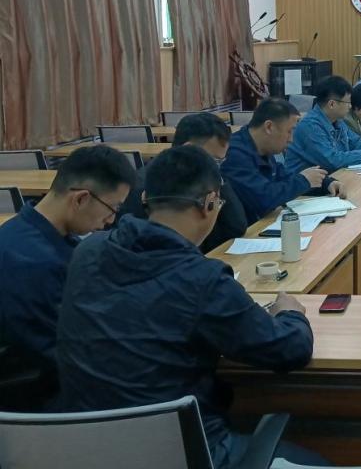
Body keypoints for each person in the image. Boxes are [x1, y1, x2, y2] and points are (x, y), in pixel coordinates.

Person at [56, 146, 325, 468]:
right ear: (209, 203)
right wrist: (290, 313)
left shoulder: (88, 252)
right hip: (183, 452)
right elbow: (289, 349)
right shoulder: (203, 279)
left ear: (145, 199)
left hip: (86, 448)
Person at [0, 145, 134, 386]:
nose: (111, 220)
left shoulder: (20, 228)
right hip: (41, 390)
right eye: (113, 208)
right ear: (81, 199)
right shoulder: (39, 265)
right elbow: (72, 356)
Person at [120, 112, 246, 253]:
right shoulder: (145, 187)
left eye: (221, 162)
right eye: (214, 160)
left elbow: (236, 228)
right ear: (189, 149)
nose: (216, 168)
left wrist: (219, 181)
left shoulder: (201, 180)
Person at [221, 98, 344, 225]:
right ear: (269, 127)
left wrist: (325, 183)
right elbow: (263, 199)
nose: (291, 139)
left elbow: (284, 177)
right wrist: (304, 181)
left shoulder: (262, 147)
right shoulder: (234, 154)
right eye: (289, 131)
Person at [286, 76, 361, 174]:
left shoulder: (337, 121)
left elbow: (356, 142)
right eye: (347, 103)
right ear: (332, 104)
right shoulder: (310, 126)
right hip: (305, 186)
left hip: (331, 179)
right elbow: (332, 160)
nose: (350, 106)